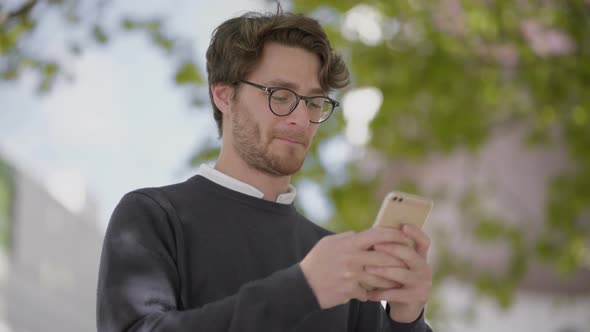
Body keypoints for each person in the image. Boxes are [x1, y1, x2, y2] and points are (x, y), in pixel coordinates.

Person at [96, 7, 434, 332]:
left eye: (315, 102)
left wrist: (407, 318)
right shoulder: (154, 216)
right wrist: (303, 290)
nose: (302, 119)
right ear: (224, 95)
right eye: (281, 95)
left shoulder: (339, 259)